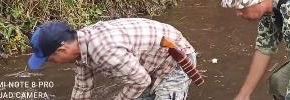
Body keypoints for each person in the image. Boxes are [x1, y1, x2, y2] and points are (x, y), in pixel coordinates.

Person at [27, 18, 197, 100]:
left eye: (51, 60)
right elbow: (82, 88)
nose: (54, 64)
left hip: (173, 60)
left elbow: (141, 81)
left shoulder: (103, 51)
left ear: (62, 49)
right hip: (147, 61)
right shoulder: (80, 47)